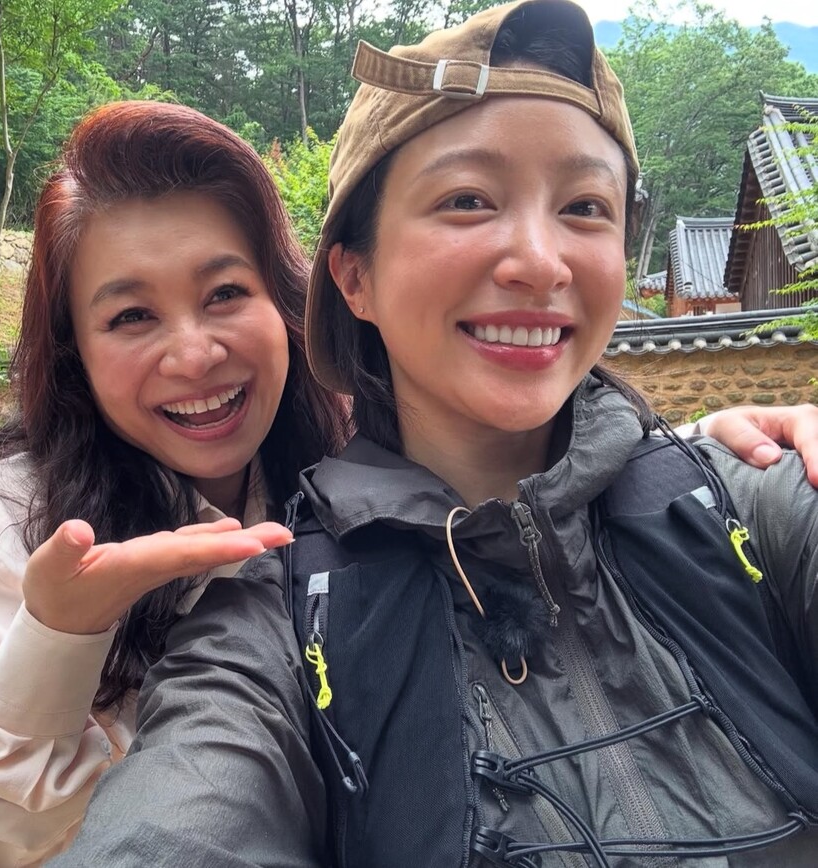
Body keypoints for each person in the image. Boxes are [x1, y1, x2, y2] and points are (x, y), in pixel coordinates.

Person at [54, 3, 818, 867]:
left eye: (584, 206)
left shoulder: (752, 501)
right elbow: (177, 820)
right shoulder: (278, 625)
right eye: (467, 200)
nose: (540, 262)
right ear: (355, 277)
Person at [0, 101, 349, 867]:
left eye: (224, 293)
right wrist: (58, 636)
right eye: (131, 317)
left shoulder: (353, 464)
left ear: (283, 300)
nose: (194, 356)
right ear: (75, 354)